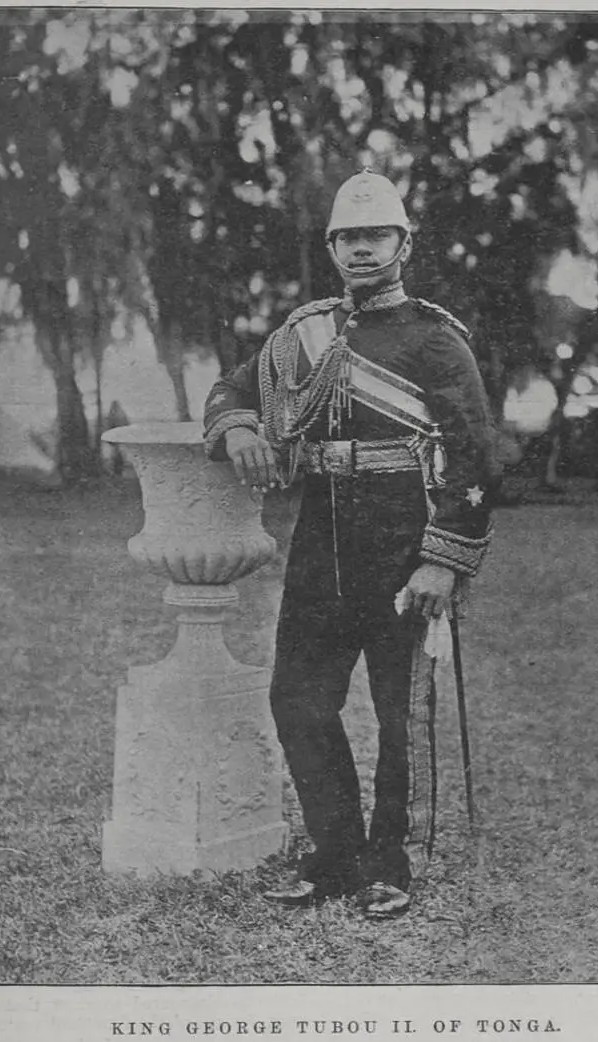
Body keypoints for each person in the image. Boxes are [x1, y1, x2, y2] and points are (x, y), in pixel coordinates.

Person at [202, 170, 499, 920]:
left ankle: (388, 860)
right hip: (321, 537)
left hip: (404, 540)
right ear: (332, 247)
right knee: (299, 698)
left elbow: (472, 458)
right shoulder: (304, 335)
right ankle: (334, 854)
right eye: (348, 237)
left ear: (404, 243)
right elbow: (230, 391)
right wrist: (239, 427)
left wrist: (442, 557)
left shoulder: (436, 340)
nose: (362, 249)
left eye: (376, 236)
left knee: (399, 711)